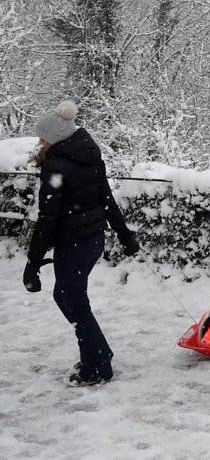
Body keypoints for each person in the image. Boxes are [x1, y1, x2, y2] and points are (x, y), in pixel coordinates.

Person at [22, 100, 140, 387]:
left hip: (73, 245)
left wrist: (33, 262)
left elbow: (48, 218)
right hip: (92, 241)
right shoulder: (89, 156)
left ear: (54, 137)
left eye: (42, 138)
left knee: (74, 302)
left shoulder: (56, 165)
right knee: (67, 298)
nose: (40, 143)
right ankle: (97, 352)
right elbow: (107, 201)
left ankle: (97, 366)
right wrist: (125, 235)